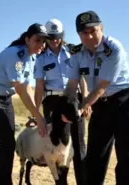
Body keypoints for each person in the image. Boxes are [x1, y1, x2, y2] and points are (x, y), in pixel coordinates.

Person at [65, 10, 129, 185]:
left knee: (127, 157)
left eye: (94, 30)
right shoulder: (76, 53)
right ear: (78, 34)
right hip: (100, 106)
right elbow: (71, 84)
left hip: (125, 102)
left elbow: (101, 87)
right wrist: (67, 106)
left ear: (102, 28)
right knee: (94, 158)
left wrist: (81, 107)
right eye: (85, 32)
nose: (90, 36)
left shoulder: (113, 49)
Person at [0, 23, 49, 185]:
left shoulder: (30, 57)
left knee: (9, 143)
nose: (41, 45)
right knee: (7, 141)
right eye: (37, 40)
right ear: (27, 39)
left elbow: (28, 87)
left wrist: (34, 113)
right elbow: (21, 88)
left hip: (5, 99)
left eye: (44, 42)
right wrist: (39, 116)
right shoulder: (14, 54)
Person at [34, 18, 87, 185]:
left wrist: (85, 102)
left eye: (57, 36)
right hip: (52, 102)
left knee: (78, 143)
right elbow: (39, 86)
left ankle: (83, 181)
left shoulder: (73, 52)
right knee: (54, 146)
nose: (54, 40)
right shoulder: (41, 58)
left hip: (73, 100)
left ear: (62, 35)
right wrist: (36, 113)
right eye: (50, 37)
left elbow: (82, 78)